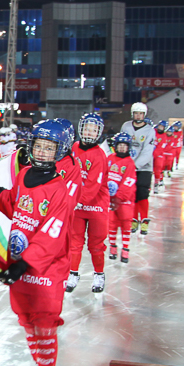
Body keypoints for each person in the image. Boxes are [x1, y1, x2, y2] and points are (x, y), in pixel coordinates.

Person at [0, 118, 75, 366]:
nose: (43, 152)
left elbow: (53, 232)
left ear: (61, 151)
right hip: (19, 263)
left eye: (50, 148)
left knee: (44, 322)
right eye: (38, 146)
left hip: (46, 269)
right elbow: (14, 206)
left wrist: (26, 264)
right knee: (27, 321)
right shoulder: (23, 177)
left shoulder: (61, 190)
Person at [64, 112, 111, 294]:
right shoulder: (73, 147)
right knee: (74, 242)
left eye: (94, 130)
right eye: (87, 128)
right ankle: (73, 273)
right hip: (77, 205)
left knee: (96, 244)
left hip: (95, 206)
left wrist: (70, 202)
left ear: (99, 133)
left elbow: (91, 187)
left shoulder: (99, 155)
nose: (90, 133)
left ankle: (99, 274)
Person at [118, 101, 158, 235]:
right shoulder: (126, 126)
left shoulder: (150, 130)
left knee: (142, 193)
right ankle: (134, 219)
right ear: (133, 114)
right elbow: (121, 143)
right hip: (128, 165)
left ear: (144, 115)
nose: (139, 116)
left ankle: (145, 220)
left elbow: (148, 151)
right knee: (132, 194)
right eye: (136, 113)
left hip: (144, 167)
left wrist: (135, 165)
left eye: (141, 114)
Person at [106, 132, 138, 264]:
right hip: (110, 200)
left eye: (125, 146)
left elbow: (128, 181)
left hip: (125, 201)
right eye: (120, 145)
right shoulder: (110, 158)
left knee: (126, 224)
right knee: (111, 224)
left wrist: (118, 197)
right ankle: (113, 247)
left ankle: (125, 249)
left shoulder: (129, 163)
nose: (122, 148)